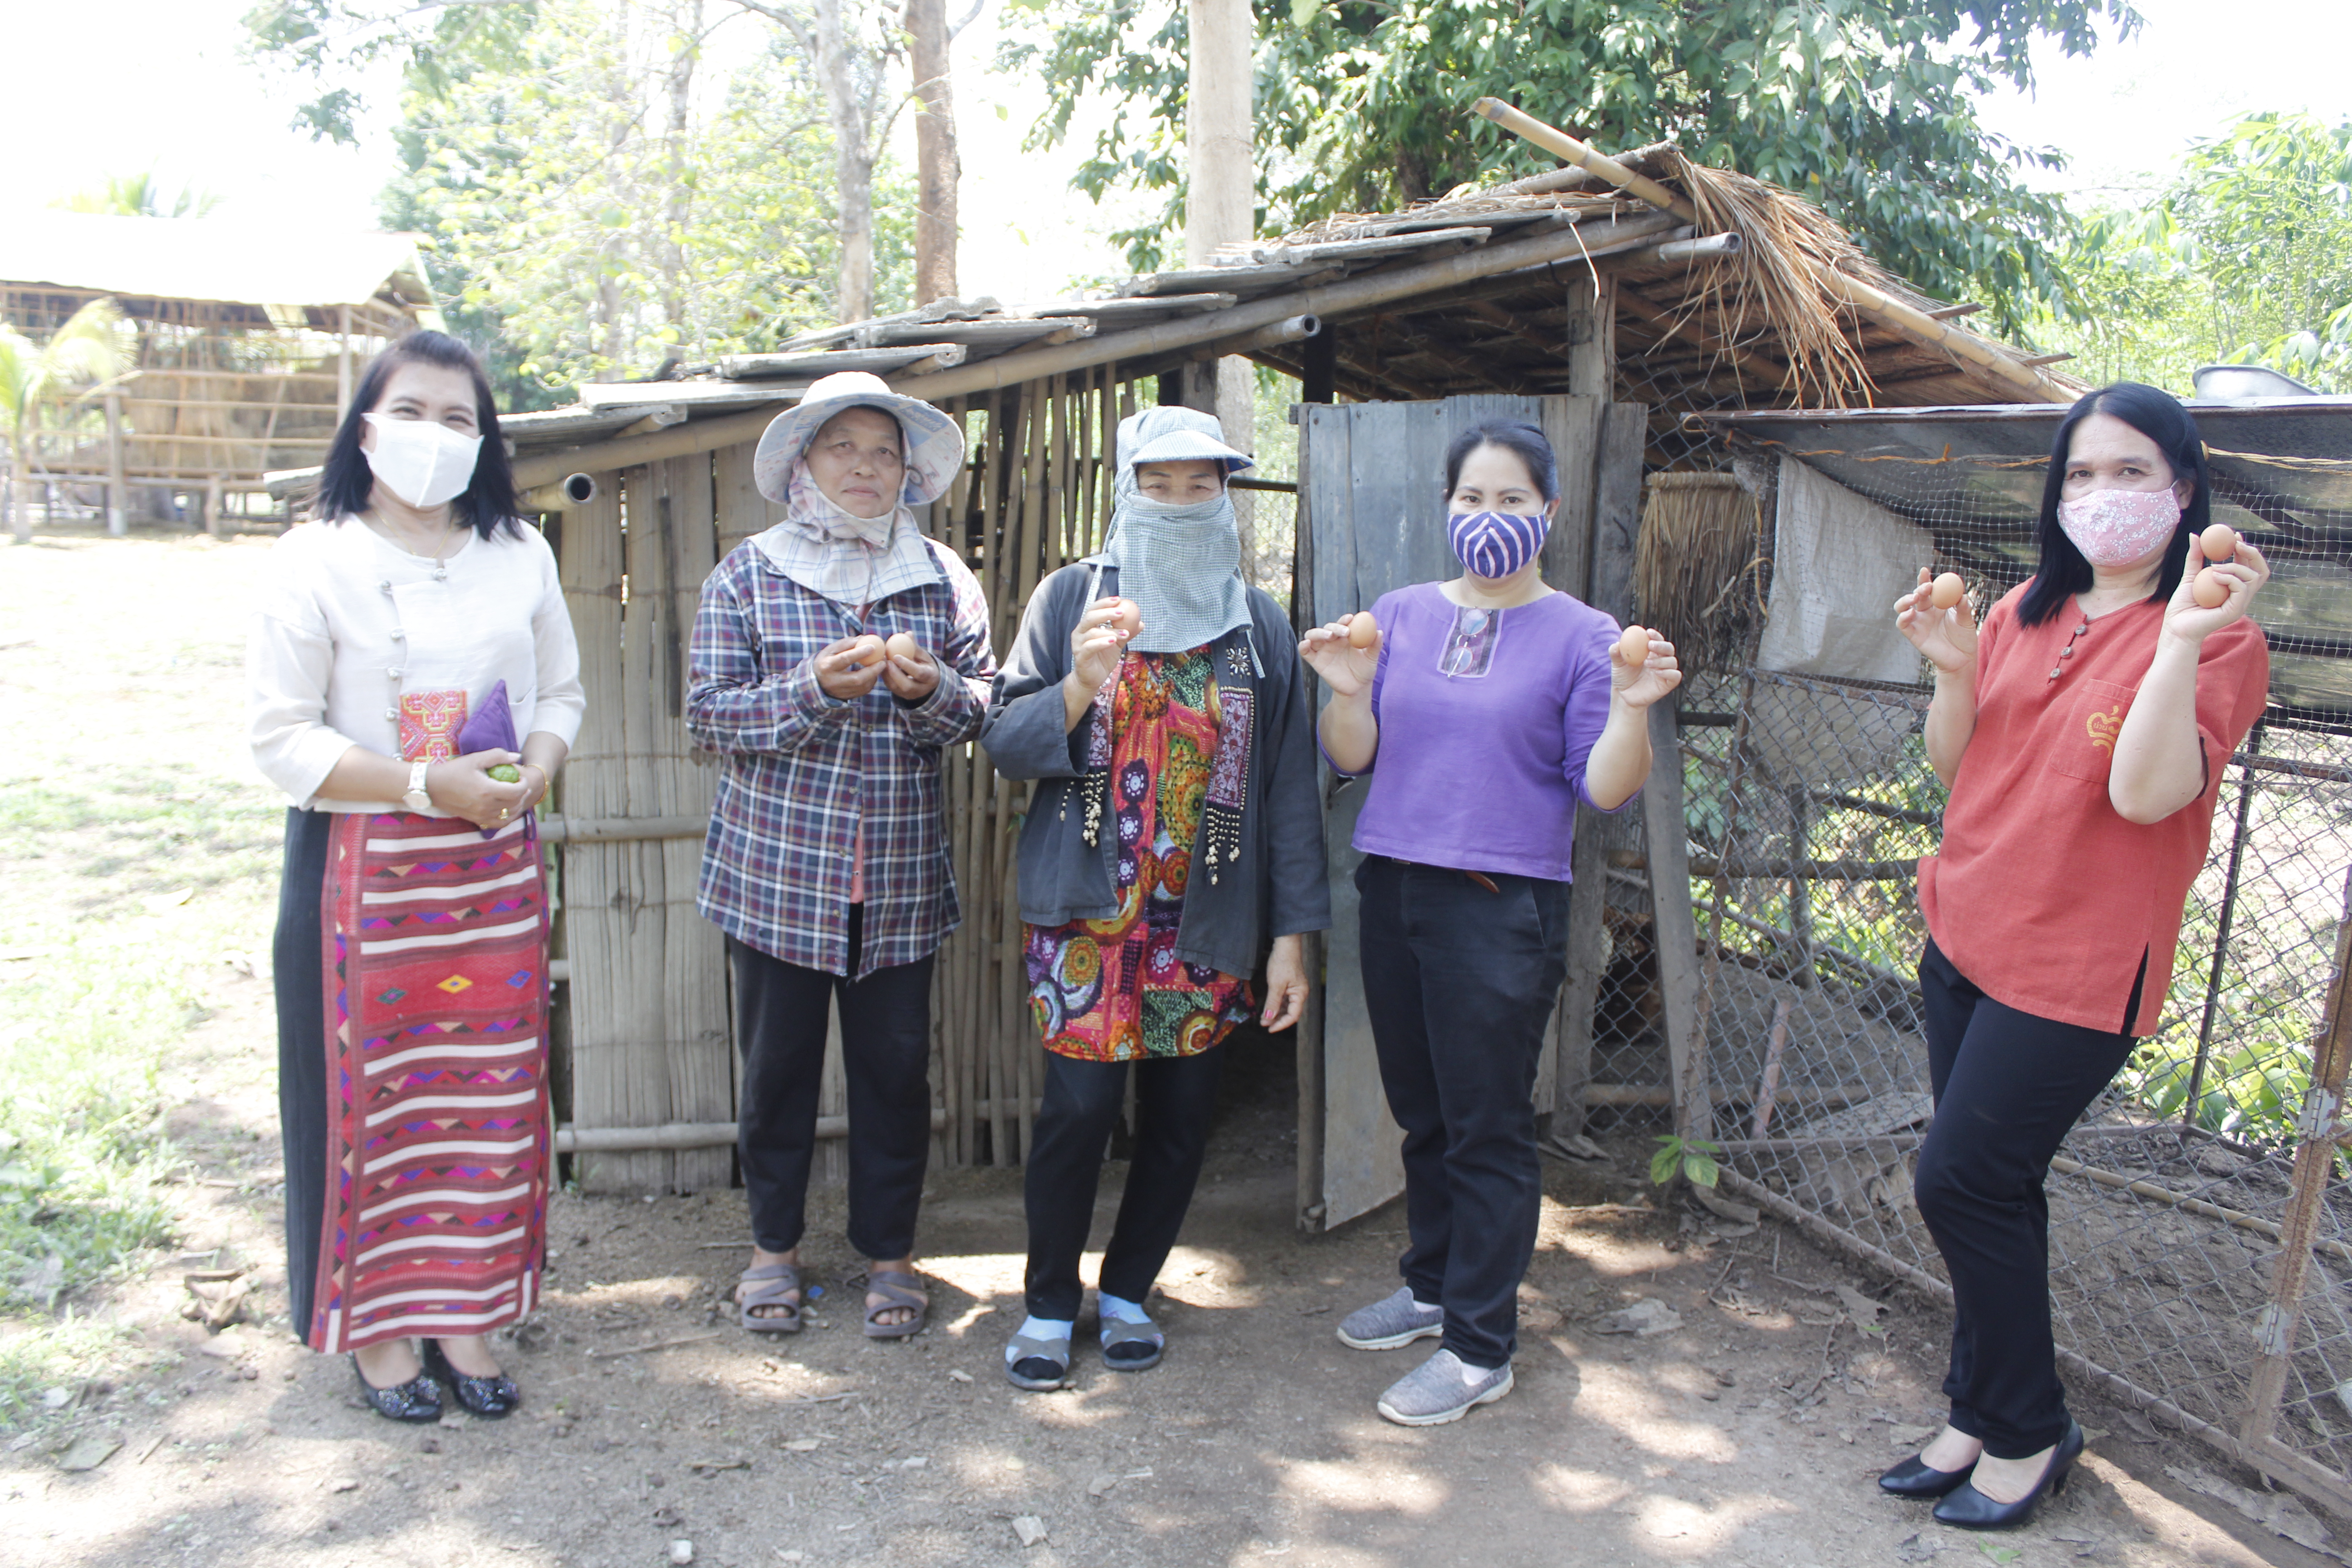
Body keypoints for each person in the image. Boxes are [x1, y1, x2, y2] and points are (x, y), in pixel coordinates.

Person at [1877, 383, 2269, 1528]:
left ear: (2184, 490)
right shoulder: (2021, 610)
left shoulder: (2222, 635)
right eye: (2082, 474)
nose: (2102, 494)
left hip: (2079, 964)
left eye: (2131, 472)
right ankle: (1977, 1410)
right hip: (1967, 929)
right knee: (1994, 1190)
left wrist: (2181, 637)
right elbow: (1960, 770)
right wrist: (1953, 669)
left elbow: (2146, 794)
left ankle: (2031, 1428)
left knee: (1958, 1181)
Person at [1303, 417, 1680, 1427]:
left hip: (1499, 904)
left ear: (1549, 510)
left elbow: (1603, 788)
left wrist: (1634, 708)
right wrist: (1346, 692)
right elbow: (1352, 754)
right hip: (1396, 888)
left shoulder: (1585, 635)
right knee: (1423, 1113)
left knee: (1486, 1125)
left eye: (1513, 499)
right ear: (1447, 505)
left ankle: (1480, 1345)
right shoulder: (1400, 615)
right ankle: (1433, 1286)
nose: (1490, 516)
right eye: (1473, 497)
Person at [248, 330, 580, 1422]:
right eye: (410, 411)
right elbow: (282, 739)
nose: (432, 436)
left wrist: (537, 769)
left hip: (492, 867)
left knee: (486, 1103)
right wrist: (423, 783)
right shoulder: (315, 559)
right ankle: (381, 1332)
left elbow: (560, 693)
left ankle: (469, 1314)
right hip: (363, 875)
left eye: (456, 419)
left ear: (484, 441)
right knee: (374, 1107)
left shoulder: (518, 554)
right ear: (364, 429)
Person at [980, 405, 1329, 1390]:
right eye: (1158, 482)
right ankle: (1050, 1304)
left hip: (1205, 916)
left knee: (1181, 1120)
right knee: (1078, 1114)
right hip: (1087, 916)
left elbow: (1287, 793)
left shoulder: (1254, 622)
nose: (1179, 500)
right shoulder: (1072, 598)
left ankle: (1131, 1290)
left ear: (1226, 494)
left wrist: (1291, 938)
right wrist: (1078, 684)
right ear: (1126, 490)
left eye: (1200, 483)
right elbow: (1003, 743)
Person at [687, 371, 995, 1341]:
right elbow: (709, 716)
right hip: (776, 880)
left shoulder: (940, 577)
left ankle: (891, 1255)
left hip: (897, 879)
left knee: (896, 1075)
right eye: (844, 447)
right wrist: (813, 689)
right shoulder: (749, 575)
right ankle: (772, 1250)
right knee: (776, 1072)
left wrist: (929, 690)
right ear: (804, 464)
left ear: (908, 472)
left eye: (885, 452)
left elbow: (983, 708)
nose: (866, 467)